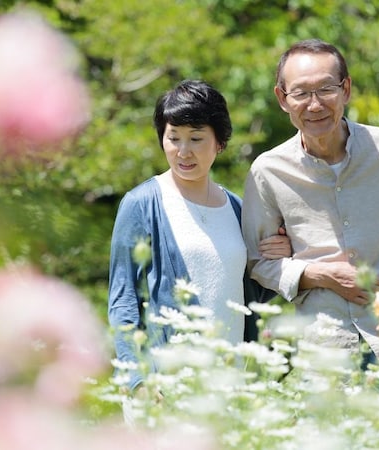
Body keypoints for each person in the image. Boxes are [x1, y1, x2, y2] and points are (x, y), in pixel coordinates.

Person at [241, 39, 379, 368]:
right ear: (282, 99)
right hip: (324, 350)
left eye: (325, 89)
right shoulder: (268, 171)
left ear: (346, 89)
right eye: (301, 93)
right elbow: (258, 262)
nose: (314, 105)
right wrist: (319, 274)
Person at [108, 80, 291, 395]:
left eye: (195, 138)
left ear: (219, 142)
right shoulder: (142, 204)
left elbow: (247, 295)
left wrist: (278, 256)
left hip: (230, 384)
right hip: (165, 386)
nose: (183, 151)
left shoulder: (237, 208)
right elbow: (123, 299)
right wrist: (138, 381)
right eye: (173, 138)